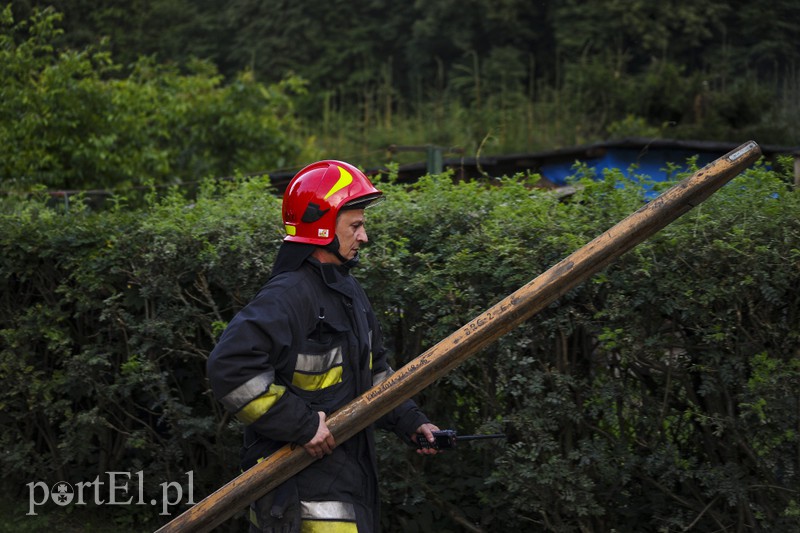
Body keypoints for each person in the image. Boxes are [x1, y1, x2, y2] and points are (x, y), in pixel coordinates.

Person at [207, 160, 439, 533]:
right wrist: (298, 424)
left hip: (347, 475)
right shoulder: (288, 295)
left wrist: (411, 422)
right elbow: (231, 367)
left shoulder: (349, 292)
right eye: (355, 225)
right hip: (297, 493)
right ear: (320, 227)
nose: (364, 237)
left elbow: (374, 371)